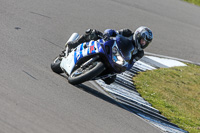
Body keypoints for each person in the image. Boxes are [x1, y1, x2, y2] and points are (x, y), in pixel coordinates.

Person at [64, 27, 153, 84]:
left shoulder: (140, 53)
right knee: (93, 33)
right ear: (138, 35)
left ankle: (90, 73)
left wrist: (125, 66)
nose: (143, 44)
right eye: (142, 40)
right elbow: (113, 32)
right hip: (110, 47)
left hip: (116, 58)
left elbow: (130, 64)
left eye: (145, 43)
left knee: (111, 79)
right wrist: (108, 34)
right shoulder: (128, 33)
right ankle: (76, 42)